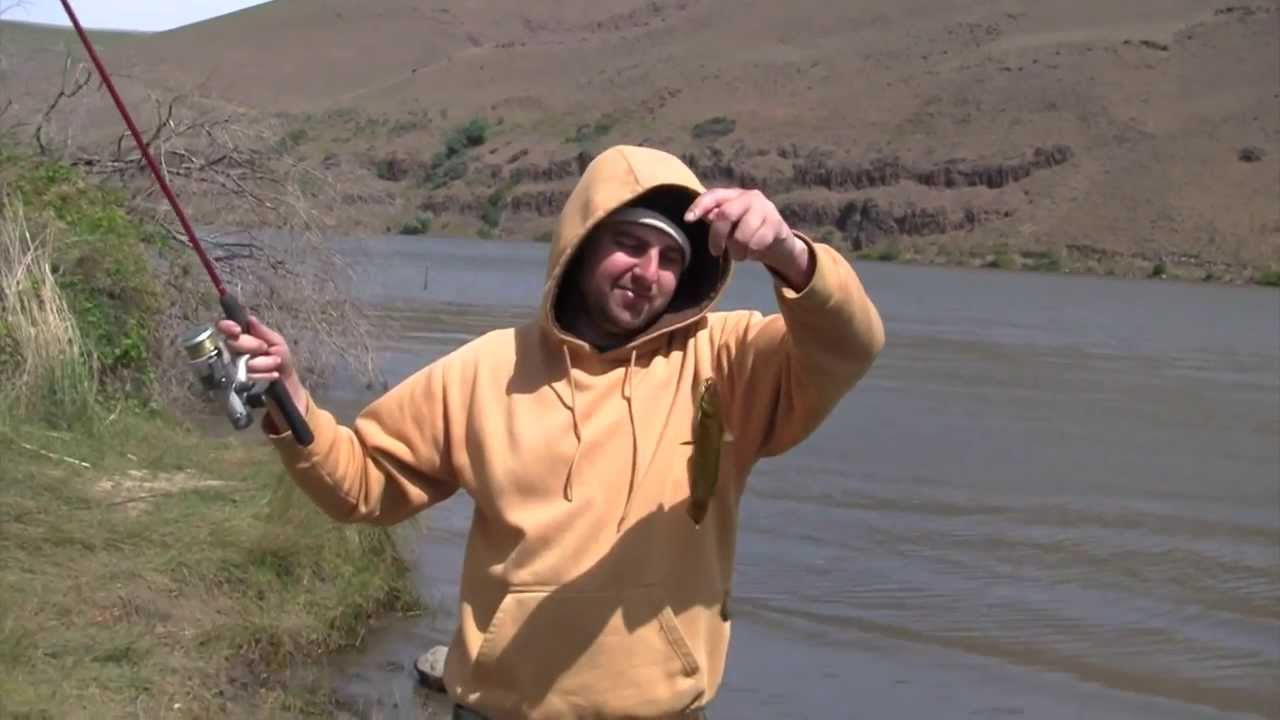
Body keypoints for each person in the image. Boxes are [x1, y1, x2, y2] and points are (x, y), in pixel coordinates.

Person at [217, 144, 885, 719]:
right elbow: (362, 487)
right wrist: (291, 398)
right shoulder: (484, 371)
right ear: (581, 243)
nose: (646, 272)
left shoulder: (731, 359)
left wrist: (789, 254)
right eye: (628, 243)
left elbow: (850, 346)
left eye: (668, 257)